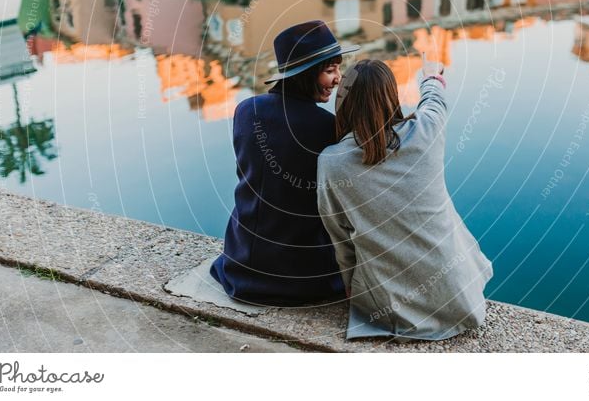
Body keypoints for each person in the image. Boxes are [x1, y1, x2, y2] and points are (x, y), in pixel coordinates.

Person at [316, 56, 493, 340]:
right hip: (463, 298)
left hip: (398, 314)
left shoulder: (332, 163)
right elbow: (434, 101)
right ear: (392, 96)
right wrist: (432, 75)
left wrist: (350, 286)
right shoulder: (425, 132)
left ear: (344, 101)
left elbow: (341, 239)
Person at [210, 20, 359, 306]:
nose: (339, 78)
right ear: (304, 75)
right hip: (303, 276)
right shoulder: (328, 128)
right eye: (330, 70)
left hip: (242, 262)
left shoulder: (245, 110)